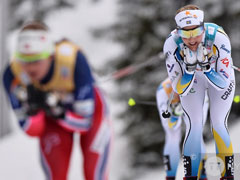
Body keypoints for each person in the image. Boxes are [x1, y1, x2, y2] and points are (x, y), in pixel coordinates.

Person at [3, 21, 111, 180]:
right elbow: (29, 129)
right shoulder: (12, 74)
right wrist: (34, 110)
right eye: (24, 60)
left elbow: (85, 123)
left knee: (94, 174)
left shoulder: (73, 60)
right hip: (52, 120)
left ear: (50, 56)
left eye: (36, 60)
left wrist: (59, 111)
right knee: (56, 175)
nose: (30, 68)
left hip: (91, 114)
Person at [163, 4, 235, 180]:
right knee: (193, 125)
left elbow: (223, 82)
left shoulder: (218, 38)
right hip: (192, 79)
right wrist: (188, 70)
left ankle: (227, 175)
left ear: (204, 27)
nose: (192, 39)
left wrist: (207, 66)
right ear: (178, 32)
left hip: (218, 76)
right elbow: (178, 87)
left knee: (218, 123)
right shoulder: (171, 44)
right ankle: (191, 176)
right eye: (185, 34)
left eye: (196, 32)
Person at [156, 78, 208, 180]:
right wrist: (175, 115)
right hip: (167, 93)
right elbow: (170, 126)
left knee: (196, 132)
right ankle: (170, 177)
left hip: (196, 90)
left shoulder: (199, 88)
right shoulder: (163, 92)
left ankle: (202, 175)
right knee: (173, 136)